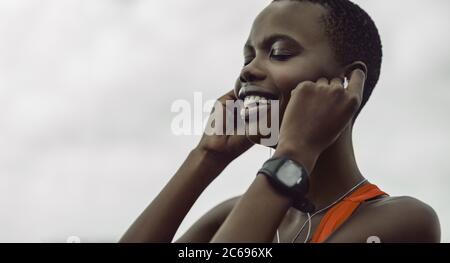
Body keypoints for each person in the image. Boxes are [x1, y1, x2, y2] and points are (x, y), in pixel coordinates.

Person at [120, 0, 440, 243]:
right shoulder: (226, 216)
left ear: (344, 84)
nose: (247, 72)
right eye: (248, 57)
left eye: (279, 53)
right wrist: (206, 157)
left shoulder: (404, 221)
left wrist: (294, 155)